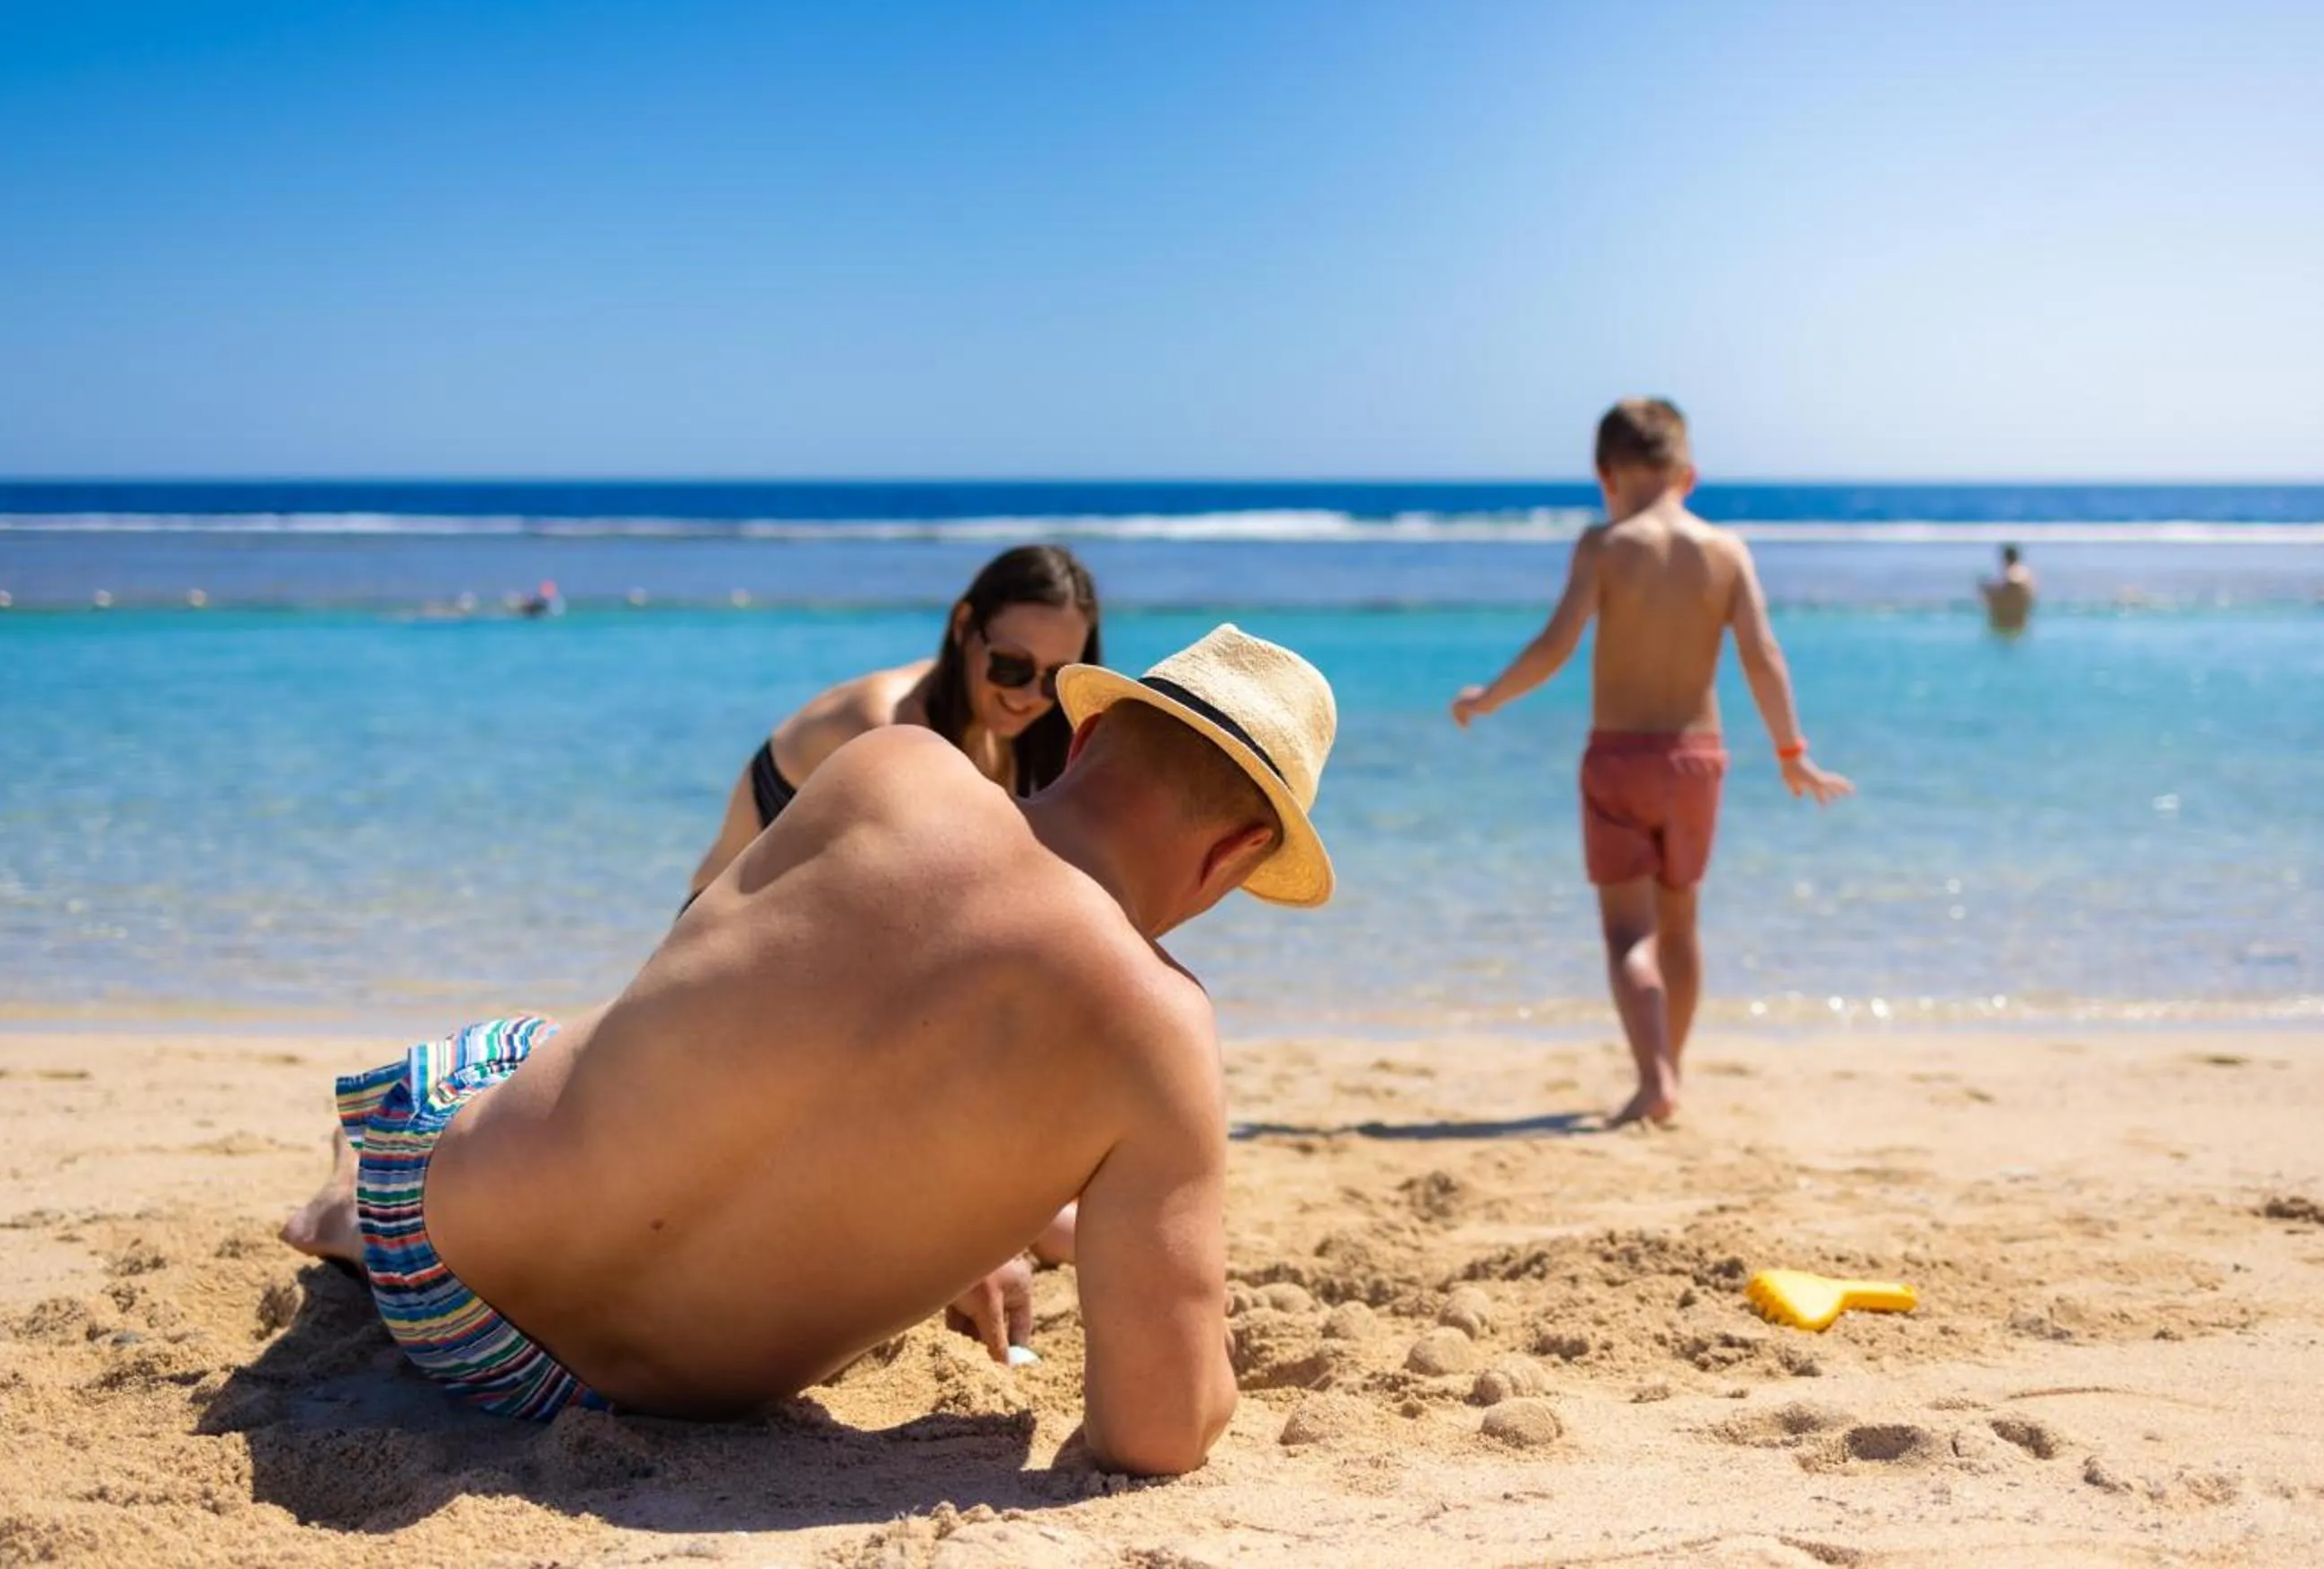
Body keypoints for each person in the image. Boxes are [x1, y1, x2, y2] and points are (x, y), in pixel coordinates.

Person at [280, 625, 1337, 1476]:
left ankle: (350, 1204)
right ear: (1241, 853)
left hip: (437, 1271)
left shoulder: (893, 767)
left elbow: (698, 1009)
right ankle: (350, 1190)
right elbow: (1159, 1433)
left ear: (1092, 738)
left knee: (526, 1050)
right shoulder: (1161, 1029)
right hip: (610, 1400)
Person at [1452, 397, 1853, 1125]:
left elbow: (1555, 647)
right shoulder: (1727, 551)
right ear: (1688, 475)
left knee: (1627, 934)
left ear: (1605, 474)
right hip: (1699, 760)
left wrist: (1490, 697)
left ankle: (1653, 1075)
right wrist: (1794, 753)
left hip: (1618, 760)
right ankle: (1673, 1068)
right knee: (1681, 925)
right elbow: (1763, 658)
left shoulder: (1605, 546)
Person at [685, 545, 1101, 905]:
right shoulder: (887, 727)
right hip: (706, 955)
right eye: (1011, 666)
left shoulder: (1005, 739)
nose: (1030, 695)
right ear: (963, 626)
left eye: (1054, 678)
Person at [1978, 546, 2036, 634]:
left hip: (2006, 624)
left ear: (2005, 559)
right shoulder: (2026, 574)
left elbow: (2014, 582)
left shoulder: (2015, 573)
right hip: (2019, 626)